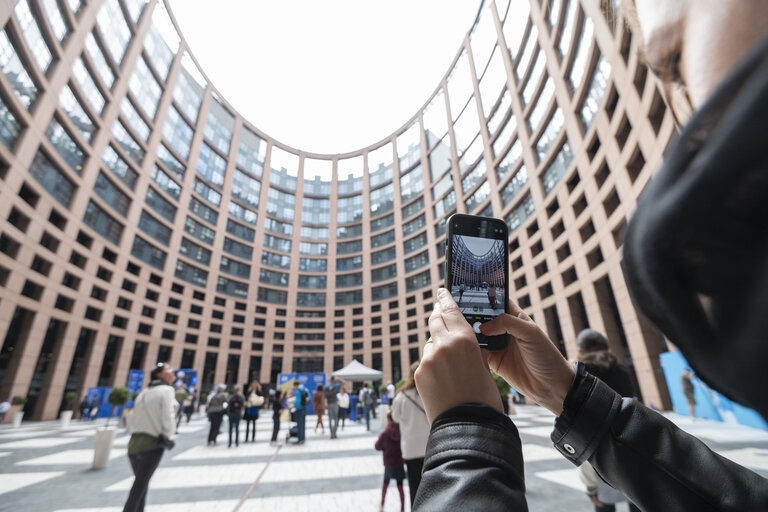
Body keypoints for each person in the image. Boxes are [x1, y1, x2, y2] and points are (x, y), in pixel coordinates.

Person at [575, 329, 640, 512]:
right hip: (632, 449)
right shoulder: (622, 371)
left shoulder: (580, 375)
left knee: (604, 508)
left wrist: (591, 487)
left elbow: (580, 430)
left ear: (580, 349)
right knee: (638, 503)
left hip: (599, 456)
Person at [123, 362, 176, 512]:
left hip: (133, 445)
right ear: (159, 374)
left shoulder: (143, 393)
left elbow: (133, 419)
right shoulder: (166, 390)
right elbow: (168, 417)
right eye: (168, 369)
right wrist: (168, 434)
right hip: (151, 445)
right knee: (138, 489)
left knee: (141, 486)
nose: (172, 371)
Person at [390, 361, 429, 507]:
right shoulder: (430, 391)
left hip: (410, 447)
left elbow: (395, 418)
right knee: (430, 485)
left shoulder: (401, 396)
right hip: (428, 447)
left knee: (414, 486)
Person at [375, 412, 406, 512]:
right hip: (399, 463)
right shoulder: (401, 431)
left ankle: (382, 506)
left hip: (389, 464)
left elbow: (377, 446)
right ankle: (402, 508)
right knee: (400, 487)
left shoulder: (384, 434)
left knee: (385, 485)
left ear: (388, 420)